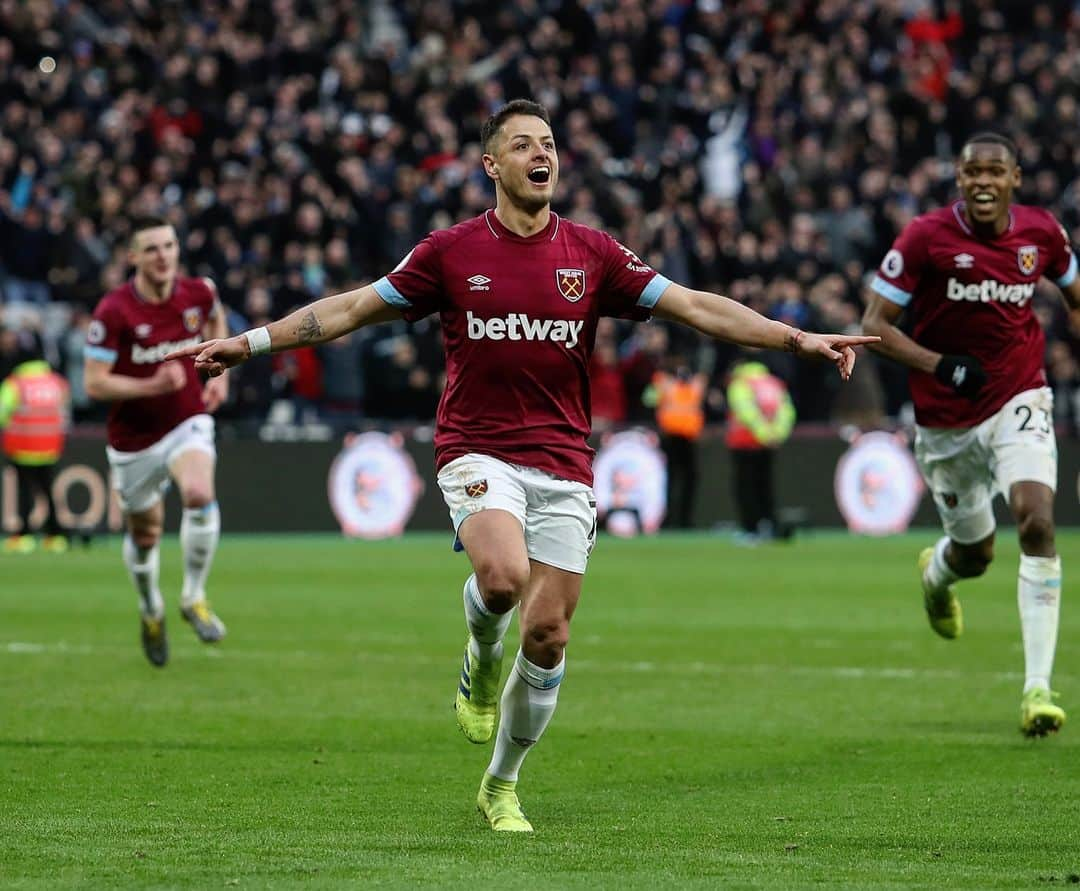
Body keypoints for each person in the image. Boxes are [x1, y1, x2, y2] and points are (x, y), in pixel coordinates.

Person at [170, 100, 876, 831]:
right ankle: (479, 649)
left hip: (565, 460)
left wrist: (795, 339)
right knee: (502, 579)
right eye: (523, 144)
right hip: (476, 447)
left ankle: (500, 783)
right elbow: (349, 309)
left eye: (548, 143)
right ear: (492, 165)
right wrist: (248, 343)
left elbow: (695, 307)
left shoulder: (594, 254)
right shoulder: (448, 252)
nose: (542, 154)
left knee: (550, 635)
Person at [862, 132, 1080, 737]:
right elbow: (874, 324)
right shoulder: (925, 238)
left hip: (1019, 394)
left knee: (1036, 520)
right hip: (946, 417)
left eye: (995, 172)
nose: (983, 182)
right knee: (976, 554)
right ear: (958, 180)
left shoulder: (1043, 234)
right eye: (972, 173)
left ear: (1015, 178)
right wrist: (940, 365)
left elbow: (1074, 293)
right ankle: (937, 576)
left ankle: (1037, 687)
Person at [84, 216, 230, 668]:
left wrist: (219, 371)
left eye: (169, 245)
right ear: (133, 258)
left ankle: (193, 597)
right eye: (151, 249)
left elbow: (215, 316)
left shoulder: (197, 293)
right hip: (134, 441)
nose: (163, 255)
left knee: (199, 493)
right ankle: (151, 609)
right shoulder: (113, 311)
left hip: (187, 420)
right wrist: (151, 386)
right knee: (145, 535)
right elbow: (93, 384)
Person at [0, 341, 70, 553]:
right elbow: (65, 414)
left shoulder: (15, 383)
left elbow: (2, 413)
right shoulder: (57, 382)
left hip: (23, 446)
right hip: (49, 445)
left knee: (24, 491)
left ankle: (24, 536)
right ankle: (55, 536)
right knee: (48, 491)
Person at [724, 357, 796, 541]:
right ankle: (768, 525)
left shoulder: (740, 383)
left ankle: (751, 529)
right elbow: (787, 411)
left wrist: (763, 433)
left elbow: (745, 411)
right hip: (768, 444)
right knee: (766, 486)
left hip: (743, 442)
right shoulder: (774, 383)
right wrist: (775, 435)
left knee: (745, 487)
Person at [645, 355, 708, 529]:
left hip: (689, 437)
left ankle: (684, 519)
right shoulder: (663, 381)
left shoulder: (694, 383)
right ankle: (669, 518)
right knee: (670, 480)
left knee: (687, 480)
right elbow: (649, 399)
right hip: (671, 437)